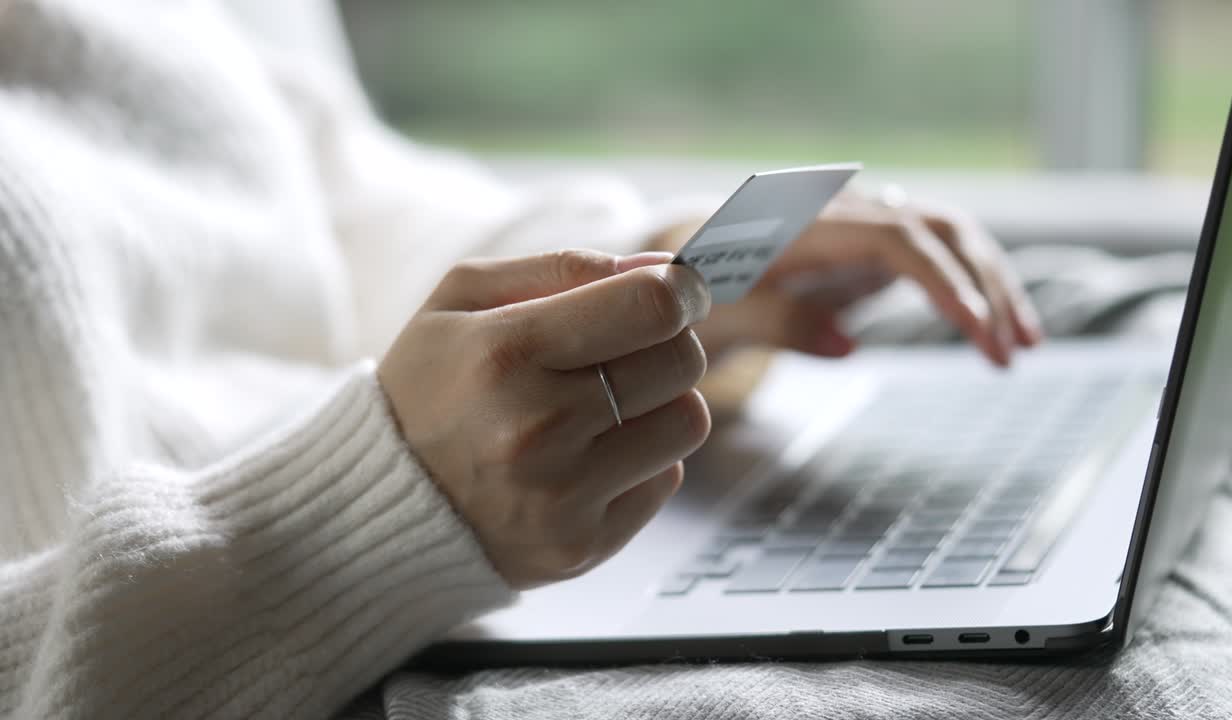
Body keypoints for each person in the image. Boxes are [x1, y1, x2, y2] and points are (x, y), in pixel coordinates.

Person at [0, 1, 1040, 717]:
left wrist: (639, 276)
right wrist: (356, 519)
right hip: (274, 626)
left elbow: (335, 199)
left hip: (425, 553)